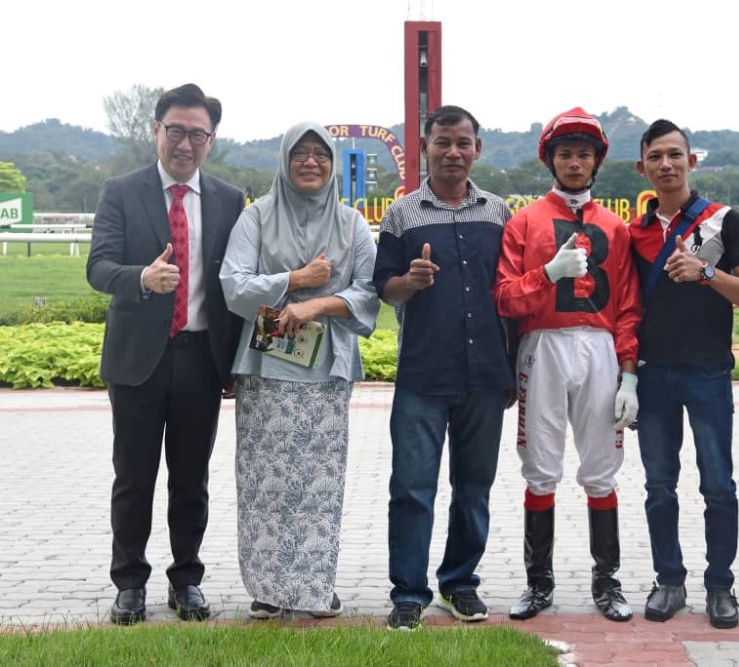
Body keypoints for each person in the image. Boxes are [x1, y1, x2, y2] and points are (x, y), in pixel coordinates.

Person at [86, 83, 245, 625]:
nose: (185, 143)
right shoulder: (120, 191)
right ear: (156, 130)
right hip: (137, 361)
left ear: (211, 139)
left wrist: (236, 362)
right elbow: (99, 267)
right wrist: (142, 278)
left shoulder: (228, 199)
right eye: (175, 131)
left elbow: (236, 284)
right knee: (133, 476)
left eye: (196, 134)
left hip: (201, 359)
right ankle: (129, 584)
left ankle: (186, 581)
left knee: (190, 477)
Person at [220, 122, 380, 619]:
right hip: (267, 368)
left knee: (319, 482)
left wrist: (318, 303)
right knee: (267, 481)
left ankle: (314, 586)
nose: (310, 162)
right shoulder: (257, 218)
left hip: (325, 370)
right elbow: (234, 284)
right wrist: (294, 279)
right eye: (300, 154)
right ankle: (268, 588)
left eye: (320, 155)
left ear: (333, 164)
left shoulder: (352, 224)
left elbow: (369, 291)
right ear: (285, 161)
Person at [493, 107, 642, 623]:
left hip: (599, 348)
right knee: (541, 470)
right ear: (550, 160)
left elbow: (627, 304)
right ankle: (538, 584)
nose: (574, 163)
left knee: (601, 470)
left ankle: (608, 583)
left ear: (597, 161)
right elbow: (506, 298)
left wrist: (630, 373)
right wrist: (547, 274)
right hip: (544, 347)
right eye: (565, 154)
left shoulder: (615, 227)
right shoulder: (525, 221)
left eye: (583, 154)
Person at [373, 105, 515, 630]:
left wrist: (511, 369)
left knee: (474, 486)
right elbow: (383, 288)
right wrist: (410, 281)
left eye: (463, 143)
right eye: (442, 142)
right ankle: (408, 592)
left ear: (477, 148)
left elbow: (512, 293)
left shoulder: (499, 213)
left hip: (485, 373)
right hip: (423, 374)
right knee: (411, 487)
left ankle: (459, 584)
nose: (453, 152)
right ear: (424, 149)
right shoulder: (402, 215)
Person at [628, 119, 739, 629]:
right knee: (659, 485)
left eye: (675, 154)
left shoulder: (723, 221)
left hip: (708, 374)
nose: (666, 164)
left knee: (719, 485)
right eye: (656, 157)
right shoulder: (633, 233)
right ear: (642, 167)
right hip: (652, 373)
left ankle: (720, 585)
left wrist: (706, 273)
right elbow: (625, 307)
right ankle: (669, 579)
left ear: (691, 160)